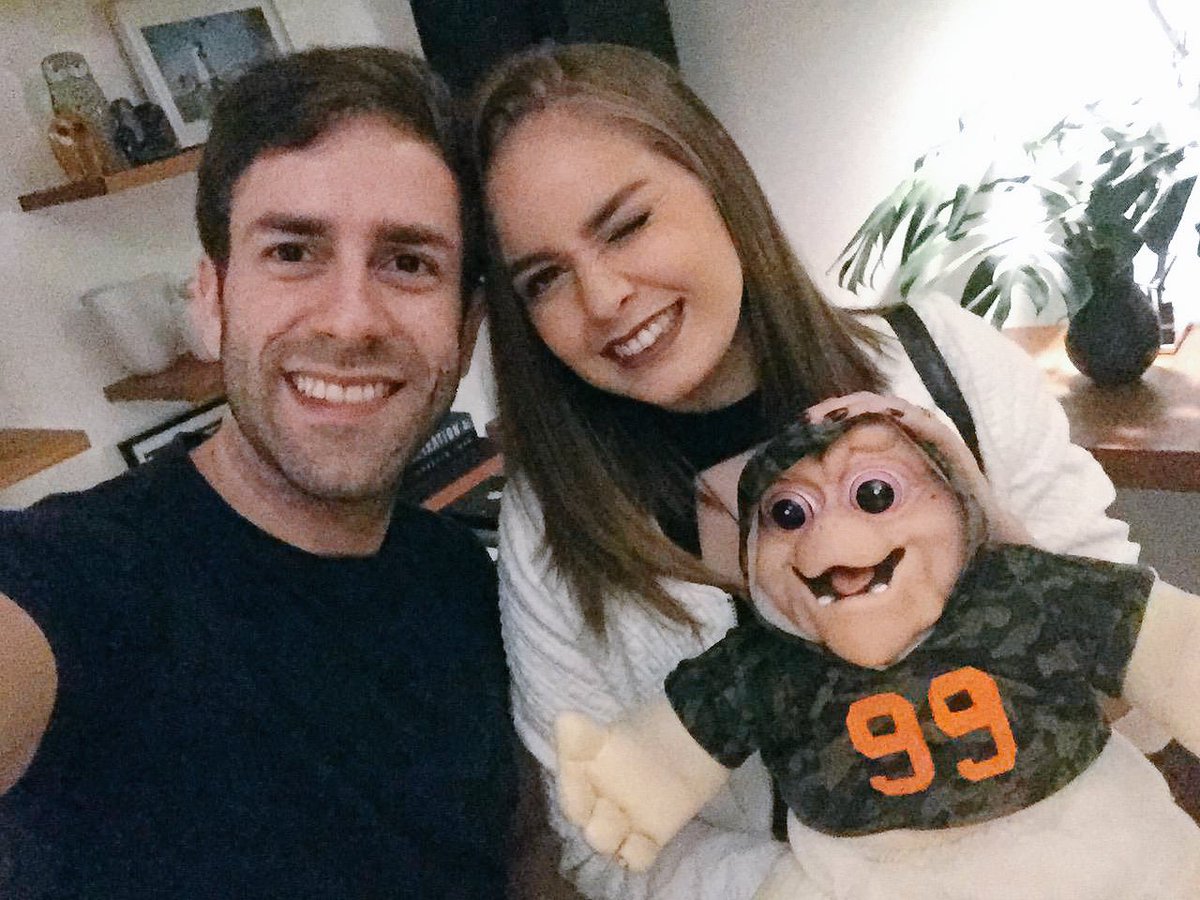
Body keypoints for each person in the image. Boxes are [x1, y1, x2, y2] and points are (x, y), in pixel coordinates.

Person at [468, 42, 1140, 900]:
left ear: (719, 183)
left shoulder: (947, 366)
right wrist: (850, 887)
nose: (602, 298)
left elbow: (1138, 693)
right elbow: (604, 846)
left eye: (626, 225)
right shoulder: (552, 522)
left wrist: (1000, 559)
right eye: (543, 279)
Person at [0, 46, 516, 899]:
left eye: (408, 262)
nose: (350, 321)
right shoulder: (80, 578)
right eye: (293, 251)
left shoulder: (462, 580)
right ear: (211, 299)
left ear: (465, 333)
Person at [554, 407, 1200, 898]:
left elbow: (1167, 651)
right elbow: (682, 744)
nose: (832, 537)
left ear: (956, 503)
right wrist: (638, 781)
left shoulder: (1024, 587)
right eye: (789, 514)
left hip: (1092, 854)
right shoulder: (765, 661)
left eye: (874, 495)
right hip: (859, 875)